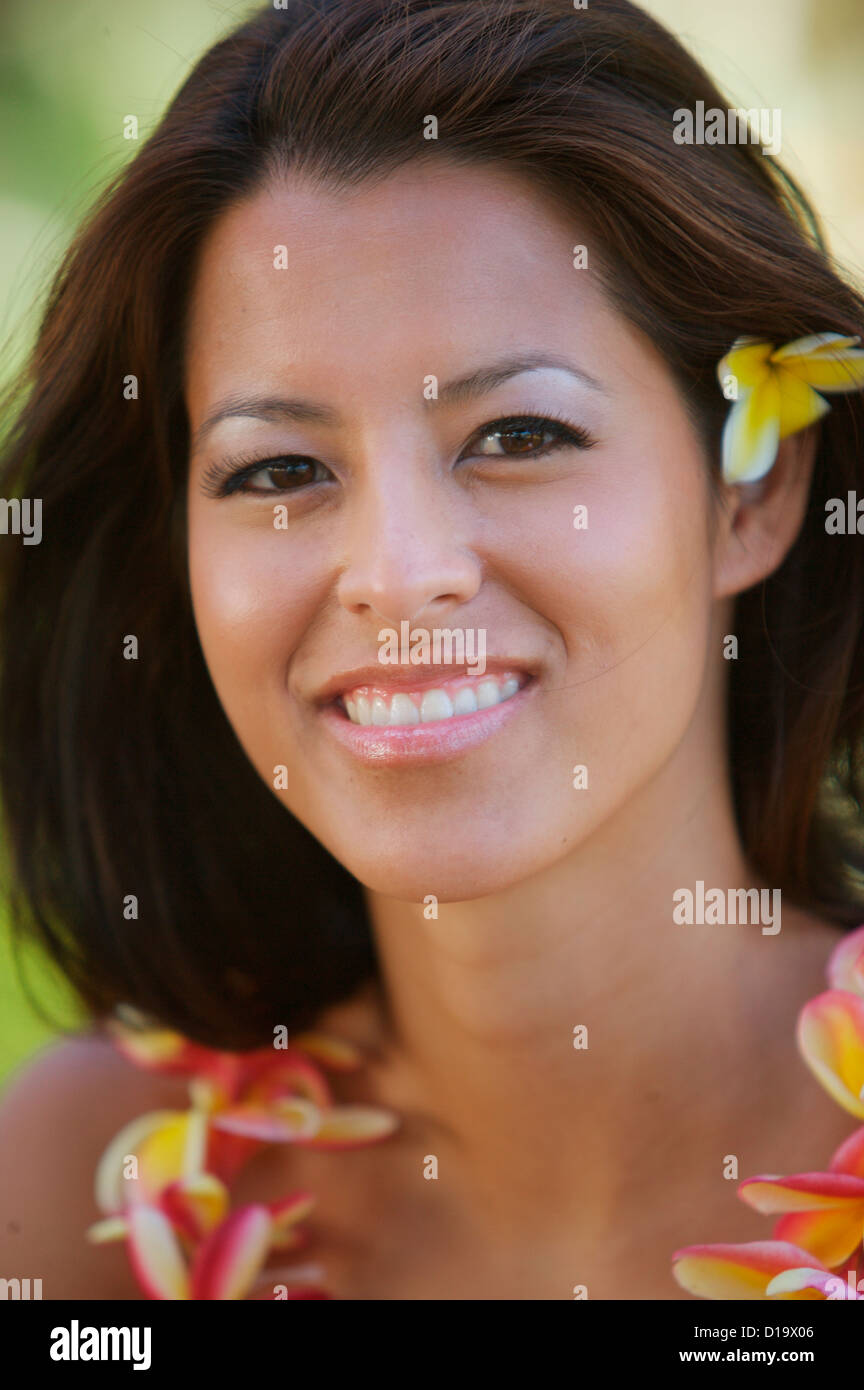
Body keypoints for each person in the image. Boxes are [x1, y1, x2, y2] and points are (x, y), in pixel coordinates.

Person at [1, 0, 863, 1301]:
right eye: (278, 469)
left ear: (752, 492)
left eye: (518, 437)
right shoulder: (81, 1186)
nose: (398, 574)